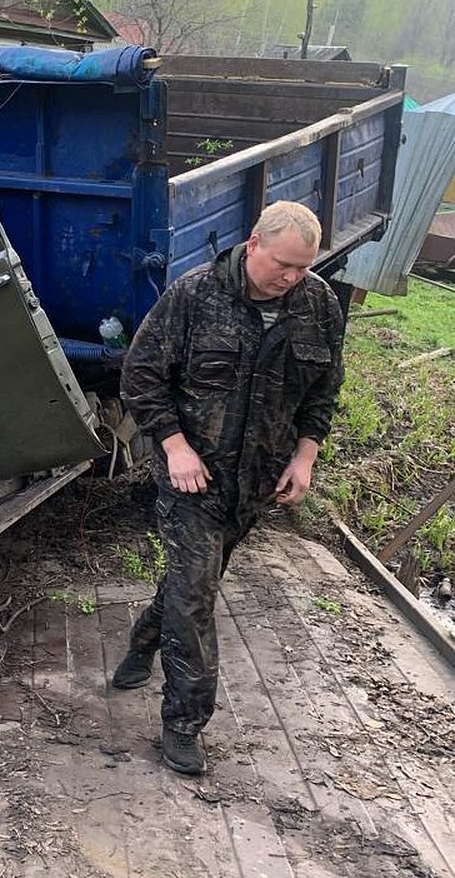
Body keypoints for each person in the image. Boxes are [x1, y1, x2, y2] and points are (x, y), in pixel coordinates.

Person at [113, 201, 345, 776]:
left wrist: (305, 457)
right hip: (193, 479)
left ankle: (144, 641)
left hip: (257, 484)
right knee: (195, 599)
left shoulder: (318, 305)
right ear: (253, 244)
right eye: (284, 265)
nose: (292, 278)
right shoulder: (194, 297)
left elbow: (322, 392)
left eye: (303, 267)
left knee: (194, 583)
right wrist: (174, 446)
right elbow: (140, 377)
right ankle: (184, 725)